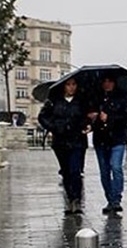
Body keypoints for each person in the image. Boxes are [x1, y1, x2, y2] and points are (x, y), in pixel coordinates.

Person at [38, 78, 92, 214]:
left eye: (74, 84)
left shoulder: (82, 101)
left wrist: (86, 124)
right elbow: (42, 117)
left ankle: (76, 199)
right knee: (66, 171)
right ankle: (69, 198)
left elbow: (88, 117)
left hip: (77, 140)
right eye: (68, 85)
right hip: (60, 141)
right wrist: (55, 127)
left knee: (75, 170)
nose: (71, 87)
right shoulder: (54, 101)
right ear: (63, 87)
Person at [91, 74, 127, 213]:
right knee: (104, 171)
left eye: (110, 81)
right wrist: (93, 118)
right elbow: (87, 115)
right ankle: (110, 199)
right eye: (105, 81)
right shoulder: (95, 98)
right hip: (101, 139)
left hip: (117, 138)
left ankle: (116, 198)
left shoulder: (122, 97)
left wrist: (110, 117)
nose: (107, 84)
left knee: (116, 167)